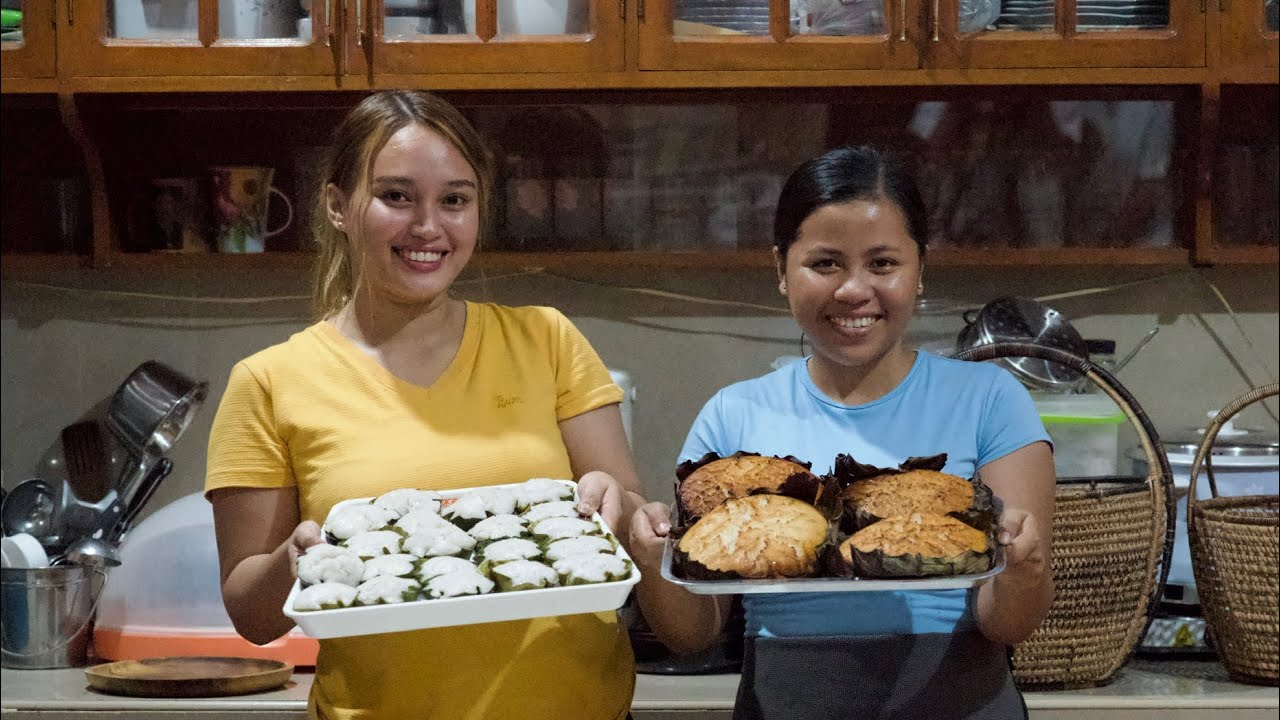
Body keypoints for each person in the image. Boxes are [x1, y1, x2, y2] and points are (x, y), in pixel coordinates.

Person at [204, 90, 645, 720]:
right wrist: (294, 560)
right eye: (396, 196)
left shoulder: (546, 339)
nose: (428, 227)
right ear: (337, 205)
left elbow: (626, 525)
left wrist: (613, 499)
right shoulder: (271, 382)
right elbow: (251, 615)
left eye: (454, 200)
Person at [629, 145, 1056, 719]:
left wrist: (1024, 565)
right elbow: (694, 633)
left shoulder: (989, 400)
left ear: (920, 268)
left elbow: (1008, 622)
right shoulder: (734, 416)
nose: (854, 290)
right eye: (825, 263)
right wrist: (651, 553)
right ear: (781, 268)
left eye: (882, 264)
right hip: (786, 702)